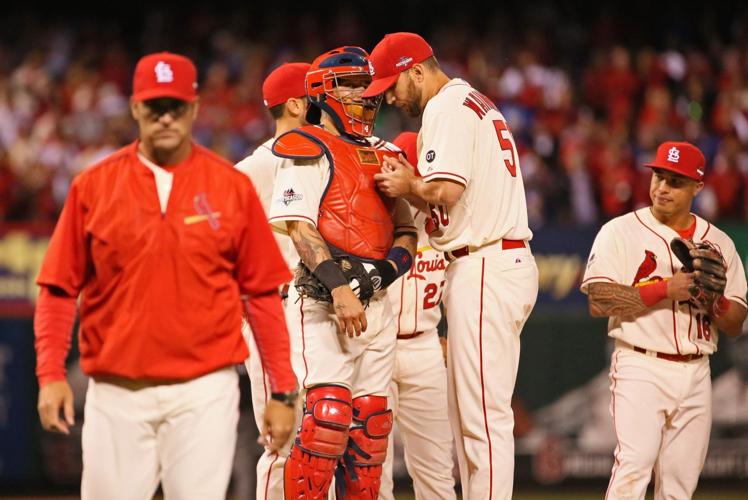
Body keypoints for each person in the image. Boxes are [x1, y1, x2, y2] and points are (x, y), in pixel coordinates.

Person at [33, 51, 298, 500]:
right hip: (116, 392)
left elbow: (261, 294)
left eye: (176, 106)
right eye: (155, 107)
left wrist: (284, 390)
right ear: (135, 107)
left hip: (204, 392)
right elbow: (59, 288)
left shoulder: (230, 186)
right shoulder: (93, 186)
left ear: (194, 108)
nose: (166, 118)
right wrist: (50, 374)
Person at [366, 33, 539, 499]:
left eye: (392, 84)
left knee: (482, 419)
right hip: (489, 261)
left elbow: (446, 191)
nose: (388, 96)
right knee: (472, 418)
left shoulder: (446, 106)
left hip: (486, 262)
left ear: (416, 70)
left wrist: (407, 185)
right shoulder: (472, 102)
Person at [267, 46, 417, 499]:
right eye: (352, 87)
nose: (364, 98)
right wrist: (340, 289)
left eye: (367, 88)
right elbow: (300, 228)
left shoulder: (385, 153)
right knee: (326, 421)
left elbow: (408, 231)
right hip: (321, 303)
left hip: (378, 303)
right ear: (322, 92)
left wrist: (379, 278)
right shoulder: (304, 147)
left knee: (371, 430)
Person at [581, 141, 747, 499]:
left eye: (675, 181)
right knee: (634, 466)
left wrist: (714, 301)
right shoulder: (620, 231)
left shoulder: (719, 242)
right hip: (640, 364)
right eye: (658, 176)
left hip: (697, 369)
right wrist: (663, 290)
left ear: (697, 188)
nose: (662, 188)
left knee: (679, 485)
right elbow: (598, 300)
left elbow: (736, 323)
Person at [234, 61, 310, 500]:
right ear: (298, 105)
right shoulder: (254, 168)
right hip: (272, 313)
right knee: (283, 445)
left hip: (312, 311)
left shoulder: (322, 157)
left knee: (321, 443)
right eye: (318, 94)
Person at [379, 131, 456, 500]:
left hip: (425, 347)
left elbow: (466, 283)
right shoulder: (373, 215)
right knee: (372, 469)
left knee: (436, 470)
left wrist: (452, 336)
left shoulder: (446, 223)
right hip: (376, 347)